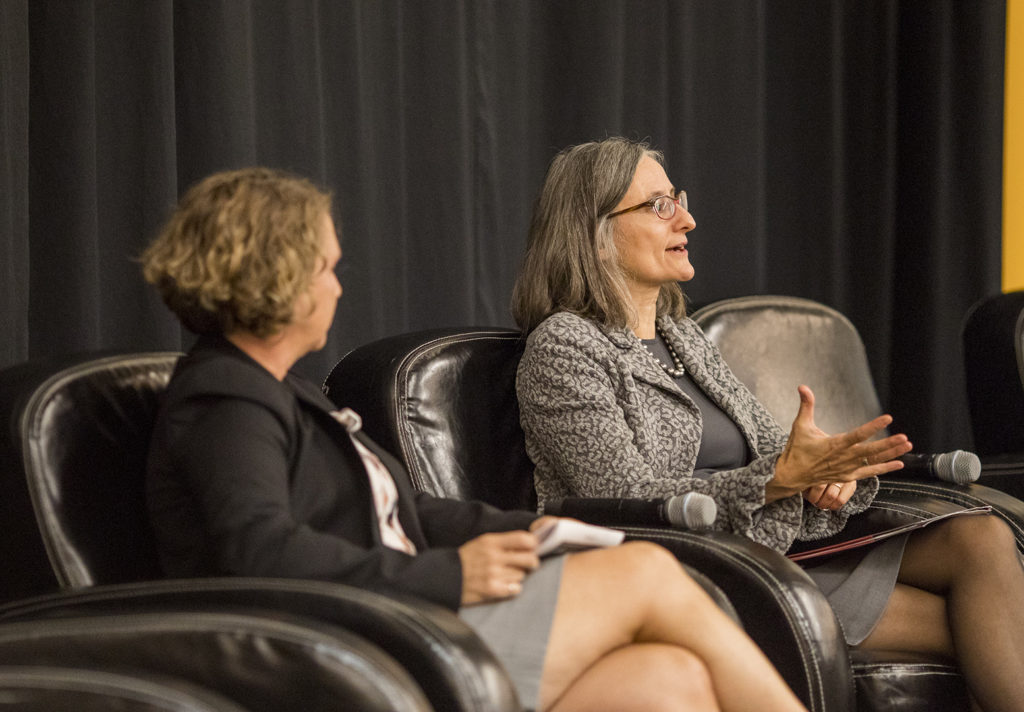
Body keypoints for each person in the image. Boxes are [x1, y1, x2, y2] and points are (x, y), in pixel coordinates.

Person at [140, 167, 808, 712]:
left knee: (667, 681)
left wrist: (530, 534)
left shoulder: (286, 390)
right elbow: (261, 551)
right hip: (355, 647)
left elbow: (403, 515)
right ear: (277, 275)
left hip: (396, 623)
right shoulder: (226, 398)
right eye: (326, 269)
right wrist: (453, 573)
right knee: (647, 571)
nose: (337, 288)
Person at [512, 136, 1024, 712]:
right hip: (695, 563)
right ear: (594, 230)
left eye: (676, 197)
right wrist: (779, 480)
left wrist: (828, 471)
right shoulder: (563, 348)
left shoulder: (684, 337)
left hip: (777, 540)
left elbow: (770, 448)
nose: (688, 217)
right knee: (994, 625)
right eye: (659, 205)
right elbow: (623, 497)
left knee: (980, 534)